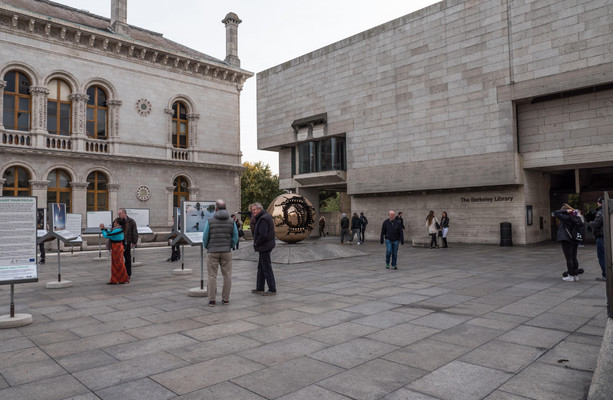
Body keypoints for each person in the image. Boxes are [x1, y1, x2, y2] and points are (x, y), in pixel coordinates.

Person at [202, 200, 238, 306]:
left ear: (216, 208)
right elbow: (235, 237)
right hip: (226, 251)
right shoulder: (231, 221)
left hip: (212, 251)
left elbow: (205, 237)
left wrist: (207, 246)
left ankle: (212, 300)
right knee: (227, 276)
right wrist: (230, 246)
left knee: (212, 276)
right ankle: (226, 299)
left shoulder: (210, 221)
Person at [251, 202, 277, 295]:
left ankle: (272, 289)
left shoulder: (263, 218)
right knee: (261, 267)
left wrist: (257, 242)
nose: (252, 212)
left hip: (264, 247)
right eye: (252, 210)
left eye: (254, 210)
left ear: (259, 209)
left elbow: (263, 235)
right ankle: (260, 287)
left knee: (266, 268)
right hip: (265, 246)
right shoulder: (264, 216)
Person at [553, 204, 583, 281]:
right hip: (575, 238)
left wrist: (565, 211)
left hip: (567, 239)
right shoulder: (576, 217)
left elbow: (555, 212)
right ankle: (575, 275)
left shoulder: (565, 217)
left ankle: (571, 276)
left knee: (569, 258)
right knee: (574, 257)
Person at [100, 218, 129, 284]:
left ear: (118, 224)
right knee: (116, 263)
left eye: (115, 222)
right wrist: (105, 229)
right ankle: (116, 279)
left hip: (117, 247)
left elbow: (107, 235)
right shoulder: (118, 229)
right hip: (116, 246)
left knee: (118, 263)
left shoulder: (118, 230)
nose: (114, 223)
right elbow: (110, 233)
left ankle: (122, 279)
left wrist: (102, 230)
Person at [588, 197, 605, 281]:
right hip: (608, 236)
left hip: (601, 236)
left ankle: (605, 275)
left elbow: (596, 224)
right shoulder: (609, 211)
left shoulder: (600, 212)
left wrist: (589, 223)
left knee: (602, 256)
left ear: (600, 203)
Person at [118, 208, 138, 277]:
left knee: (127, 258)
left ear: (124, 213)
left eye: (120, 213)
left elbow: (134, 232)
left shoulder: (131, 221)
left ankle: (128, 273)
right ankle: (120, 273)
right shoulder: (117, 221)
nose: (119, 215)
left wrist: (134, 241)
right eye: (118, 213)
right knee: (118, 258)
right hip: (118, 242)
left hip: (127, 242)